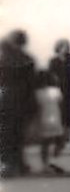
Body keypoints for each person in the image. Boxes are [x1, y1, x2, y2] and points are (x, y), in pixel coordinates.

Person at [0, 30, 39, 177]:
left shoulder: (2, 58)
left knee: (5, 133)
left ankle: (7, 164)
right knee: (18, 133)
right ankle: (18, 163)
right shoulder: (27, 59)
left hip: (4, 98)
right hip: (23, 98)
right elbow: (32, 82)